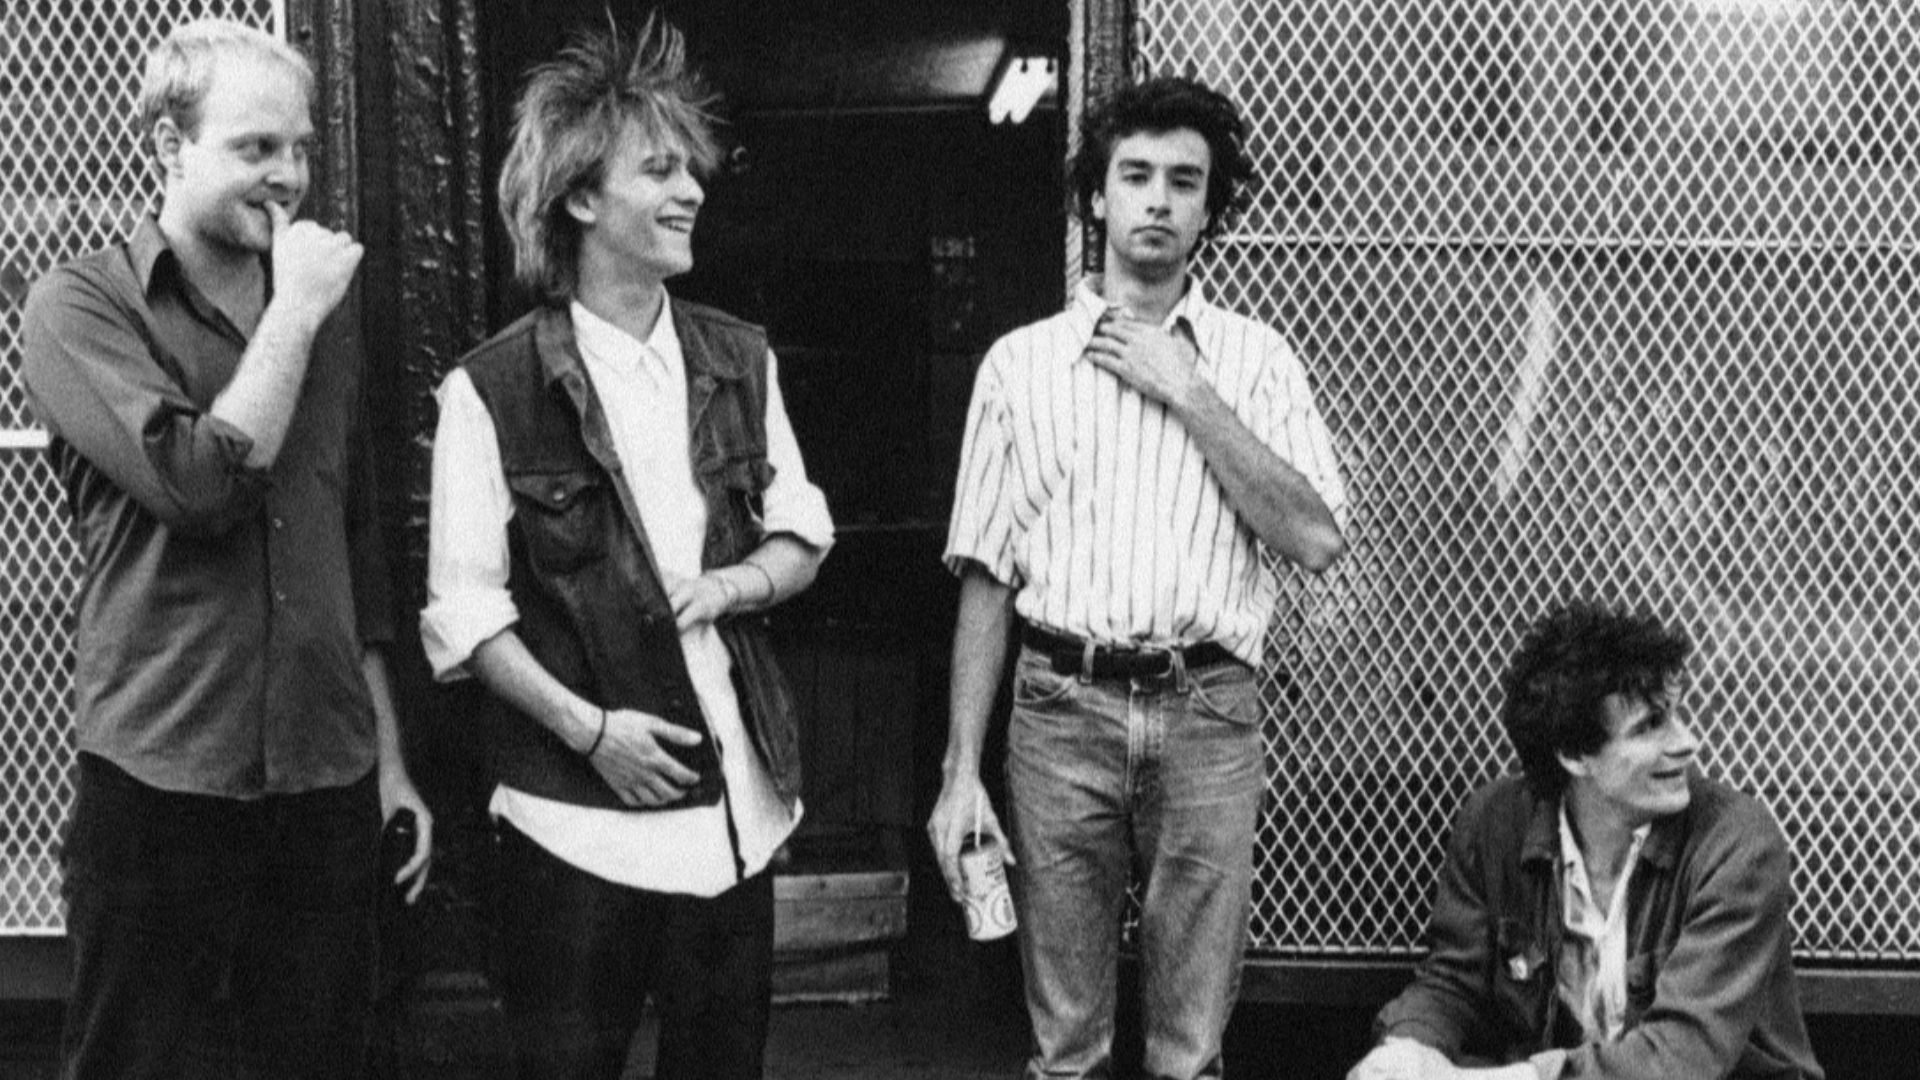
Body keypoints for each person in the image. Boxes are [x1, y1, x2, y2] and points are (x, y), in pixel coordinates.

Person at [419, 14, 833, 1080]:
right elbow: (465, 615)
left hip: (735, 813)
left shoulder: (740, 358)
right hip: (574, 827)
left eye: (691, 166)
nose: (691, 187)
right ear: (580, 197)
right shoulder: (490, 387)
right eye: (659, 168)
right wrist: (590, 731)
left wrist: (735, 584)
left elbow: (803, 533)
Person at [19, 18, 432, 1079]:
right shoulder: (81, 303)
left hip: (323, 780)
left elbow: (355, 549)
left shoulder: (322, 312)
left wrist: (388, 765)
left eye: (300, 150)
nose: (288, 177)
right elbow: (197, 484)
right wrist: (295, 312)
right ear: (168, 145)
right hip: (161, 778)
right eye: (256, 149)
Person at [927, 75, 1349, 1080]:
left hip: (1208, 708)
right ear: (1097, 198)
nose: (1159, 199)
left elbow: (1316, 537)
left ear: (1211, 207)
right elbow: (985, 576)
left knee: (1189, 1047)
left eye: (1184, 181)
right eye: (1137, 175)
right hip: (1058, 705)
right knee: (1065, 1042)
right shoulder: (1020, 366)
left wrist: (1187, 390)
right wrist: (958, 771)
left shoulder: (1257, 361)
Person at [1349, 602, 1824, 1080]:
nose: (1687, 742)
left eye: (1675, 715)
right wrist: (1404, 1050)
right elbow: (1453, 982)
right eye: (1649, 727)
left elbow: (1684, 1056)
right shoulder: (1495, 823)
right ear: (1574, 756)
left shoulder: (1738, 845)